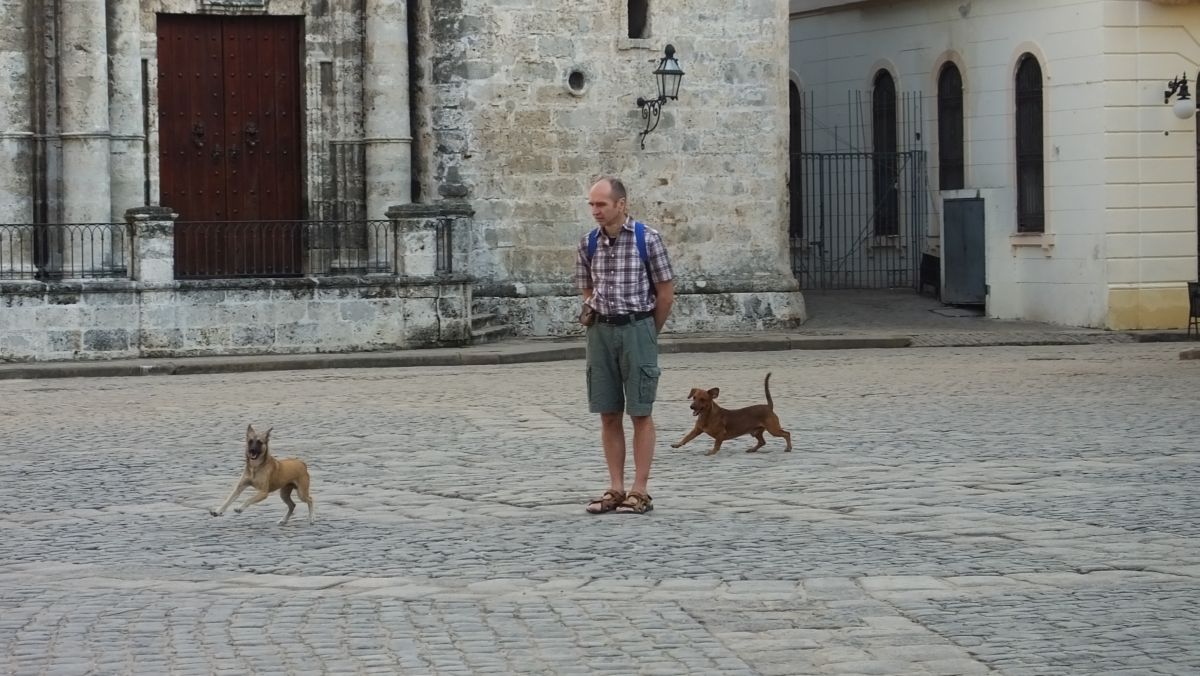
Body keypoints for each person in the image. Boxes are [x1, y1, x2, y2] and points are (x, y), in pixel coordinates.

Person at [575, 177, 675, 515]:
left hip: (638, 327)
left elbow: (665, 293)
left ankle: (640, 489)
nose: (595, 211)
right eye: (592, 204)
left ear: (621, 204)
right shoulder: (587, 243)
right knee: (607, 412)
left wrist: (648, 332)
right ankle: (615, 487)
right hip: (601, 331)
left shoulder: (649, 240)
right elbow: (587, 288)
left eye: (601, 204)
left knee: (640, 412)